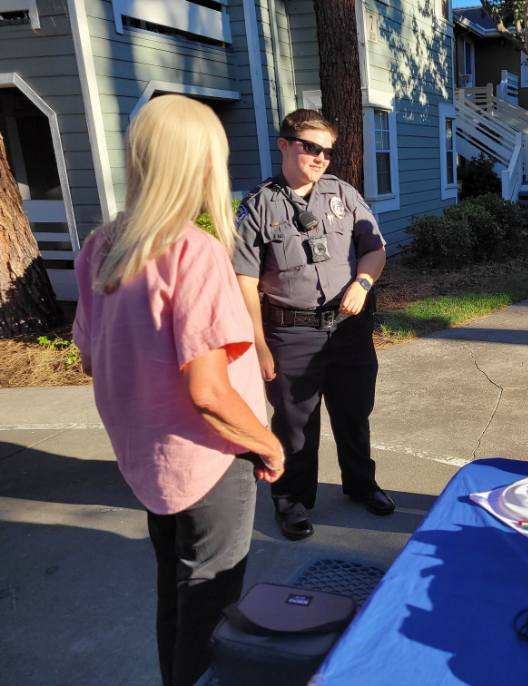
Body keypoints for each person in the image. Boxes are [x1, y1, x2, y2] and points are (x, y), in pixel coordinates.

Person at [72, 95, 285, 686]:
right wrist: (267, 443)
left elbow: (92, 354)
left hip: (150, 461)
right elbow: (209, 390)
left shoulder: (102, 247)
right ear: (198, 164)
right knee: (211, 607)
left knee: (175, 591)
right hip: (211, 461)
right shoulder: (194, 250)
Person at [233, 108, 394, 542]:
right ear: (284, 144)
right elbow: (245, 282)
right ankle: (292, 501)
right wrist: (259, 345)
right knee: (293, 425)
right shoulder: (257, 207)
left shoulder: (344, 194)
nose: (321, 157)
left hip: (348, 328)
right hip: (290, 332)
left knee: (354, 413)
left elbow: (375, 250)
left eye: (327, 151)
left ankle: (362, 486)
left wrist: (362, 282)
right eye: (311, 147)